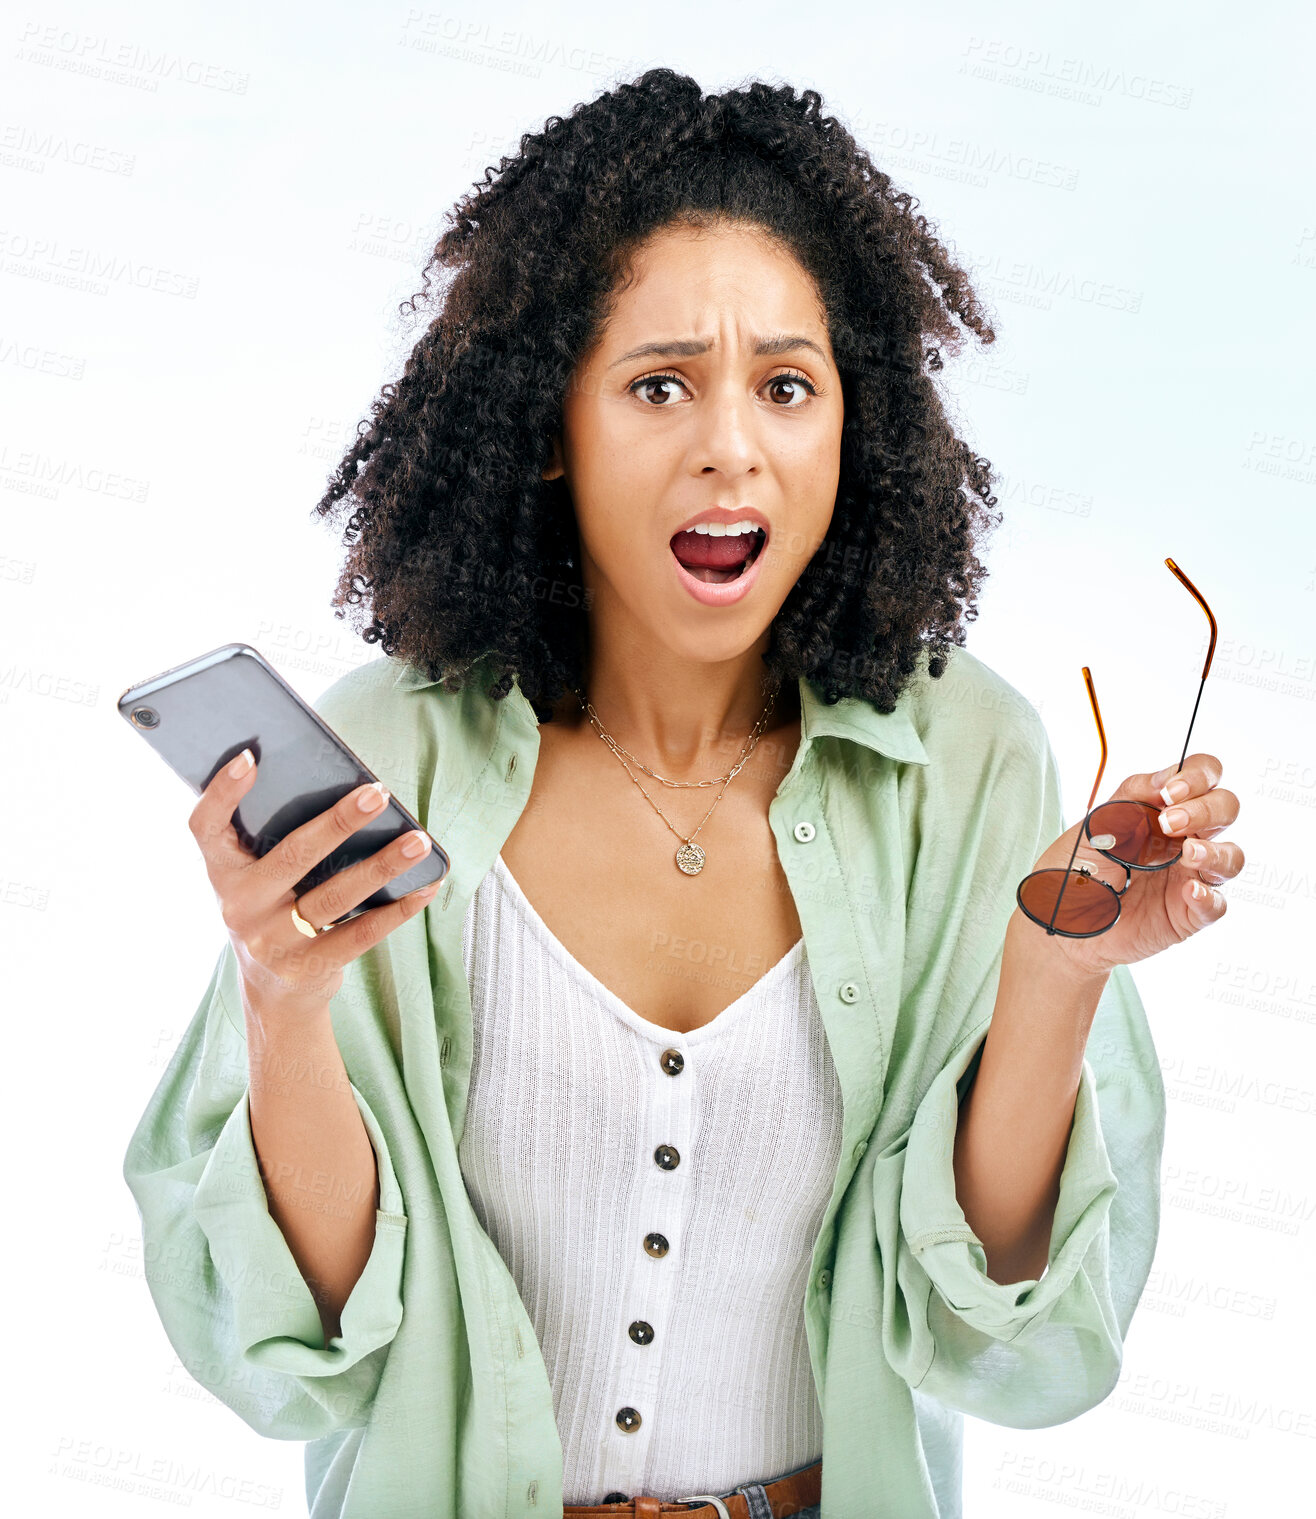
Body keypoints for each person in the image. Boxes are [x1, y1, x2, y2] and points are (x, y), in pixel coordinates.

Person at [123, 69, 1242, 1519]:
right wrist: (283, 1000)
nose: (732, 445)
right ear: (549, 422)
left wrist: (1056, 973)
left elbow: (991, 1342)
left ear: (855, 426)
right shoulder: (388, 758)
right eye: (661, 384)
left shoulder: (970, 759)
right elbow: (313, 1356)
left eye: (788, 386)